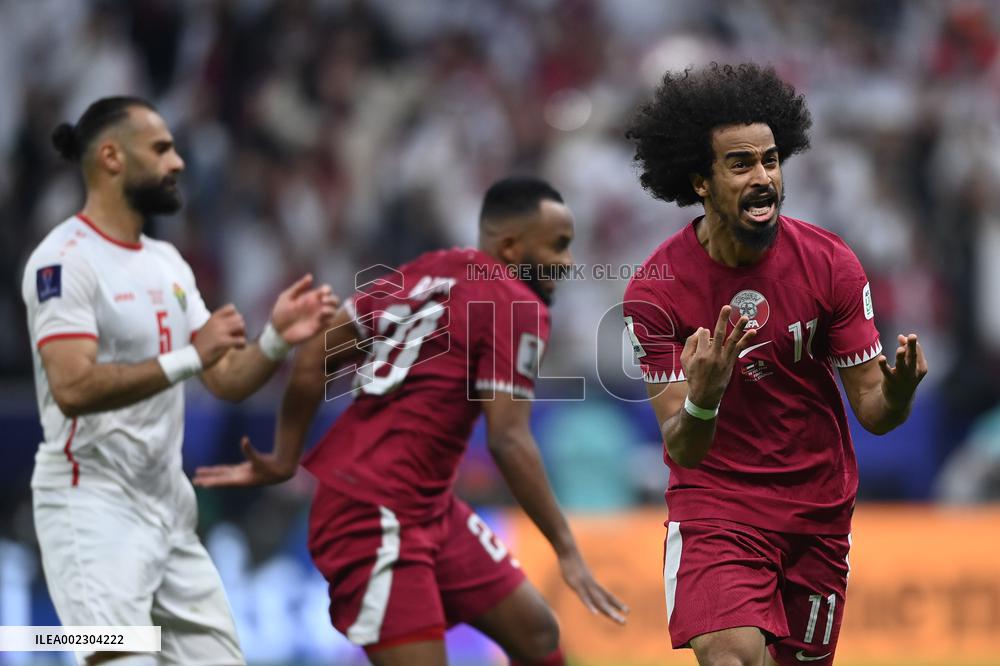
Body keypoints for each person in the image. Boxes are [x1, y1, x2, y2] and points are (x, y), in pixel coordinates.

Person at [194, 176, 628, 666]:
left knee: (538, 638)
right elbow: (508, 441)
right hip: (371, 512)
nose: (567, 263)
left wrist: (286, 456)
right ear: (510, 247)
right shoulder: (517, 304)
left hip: (427, 505)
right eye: (557, 246)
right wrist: (566, 548)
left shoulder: (430, 270)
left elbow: (317, 351)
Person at [621, 63, 928, 666]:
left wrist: (899, 393)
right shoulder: (654, 294)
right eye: (740, 164)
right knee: (731, 656)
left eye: (770, 160)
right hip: (718, 509)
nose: (763, 177)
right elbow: (682, 447)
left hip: (817, 511)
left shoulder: (831, 264)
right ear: (700, 181)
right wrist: (705, 394)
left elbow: (873, 411)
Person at [22, 96, 337, 666]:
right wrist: (189, 357)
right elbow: (71, 389)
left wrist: (275, 339)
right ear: (112, 157)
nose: (178, 163)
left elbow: (225, 378)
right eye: (162, 149)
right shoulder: (64, 262)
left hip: (168, 510)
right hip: (91, 511)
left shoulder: (168, 262)